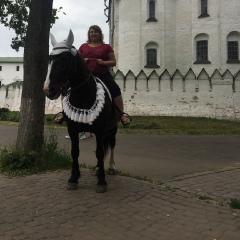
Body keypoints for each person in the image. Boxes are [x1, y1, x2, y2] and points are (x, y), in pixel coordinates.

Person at [78, 25, 131, 125]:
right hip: (86, 76)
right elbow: (77, 61)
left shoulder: (106, 47)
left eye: (96, 32)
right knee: (69, 88)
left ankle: (121, 114)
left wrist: (103, 63)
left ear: (100, 34)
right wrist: (83, 61)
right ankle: (64, 113)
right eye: (91, 32)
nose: (93, 34)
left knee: (115, 89)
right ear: (89, 34)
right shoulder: (83, 47)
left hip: (102, 74)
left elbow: (113, 62)